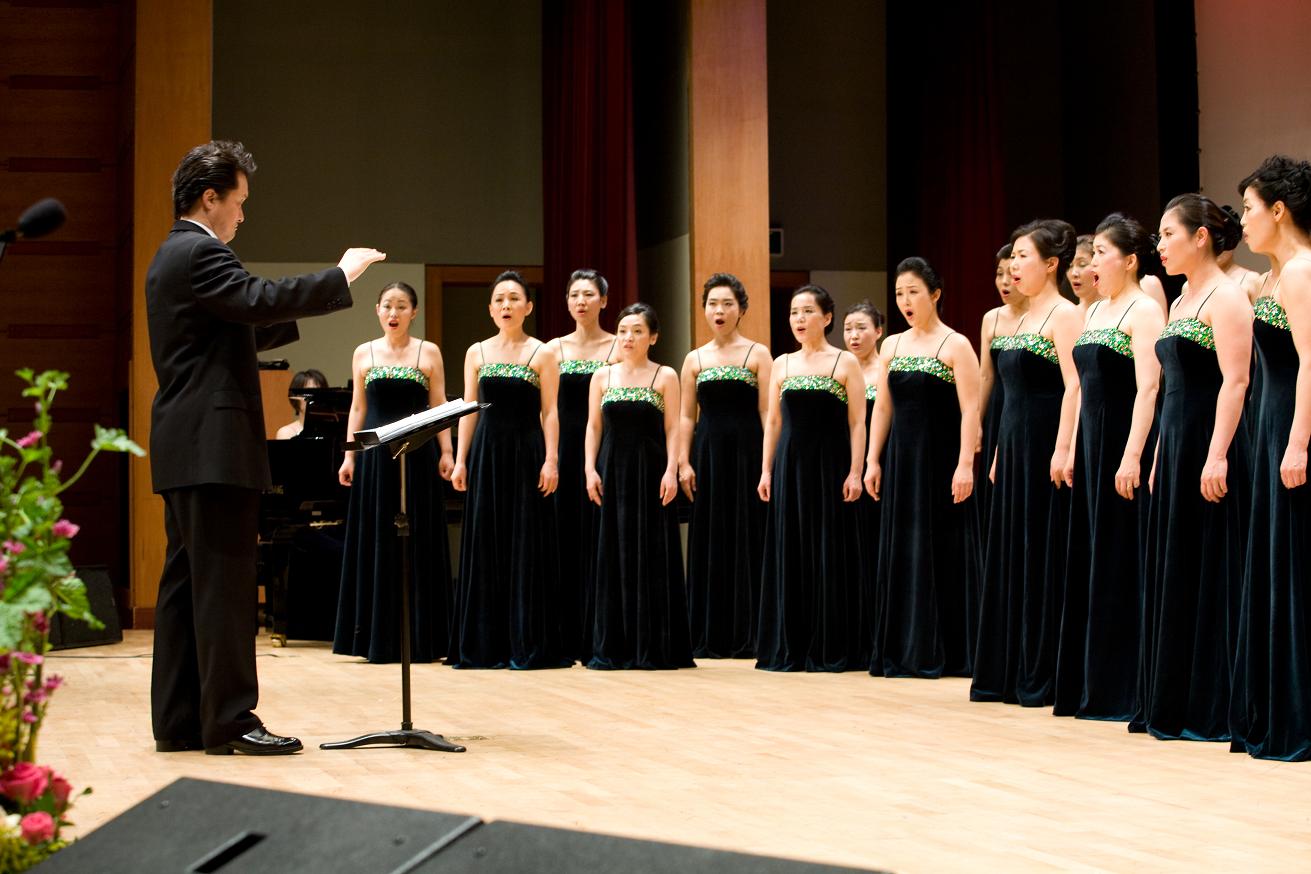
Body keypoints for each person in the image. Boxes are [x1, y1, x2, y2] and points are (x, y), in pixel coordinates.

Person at [147, 140, 384, 755]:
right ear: (210, 198)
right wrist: (341, 276)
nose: (243, 216)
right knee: (223, 589)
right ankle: (229, 721)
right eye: (240, 202)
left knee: (183, 589)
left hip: (185, 444)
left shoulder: (170, 254)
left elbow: (239, 323)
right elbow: (257, 300)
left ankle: (179, 720)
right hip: (213, 443)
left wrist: (310, 302)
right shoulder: (201, 251)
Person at [1134, 193, 1252, 742]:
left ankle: (1209, 701)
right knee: (1176, 565)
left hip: (1210, 445)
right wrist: (1158, 452)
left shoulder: (1226, 297)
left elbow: (1236, 380)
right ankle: (1172, 697)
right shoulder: (1181, 302)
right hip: (1176, 445)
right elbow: (1168, 390)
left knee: (1209, 566)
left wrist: (1216, 454)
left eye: (1167, 234)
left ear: (1201, 236)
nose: (1159, 245)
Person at [1052, 214, 1164, 721]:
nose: (1092, 262)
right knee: (1096, 557)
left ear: (1130, 260)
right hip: (1092, 448)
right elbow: (1080, 390)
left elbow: (1149, 387)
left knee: (1123, 558)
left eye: (1100, 253)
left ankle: (1125, 685)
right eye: (1091, 253)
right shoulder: (1095, 313)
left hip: (1122, 445)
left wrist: (1133, 454)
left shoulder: (1144, 310)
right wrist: (1072, 447)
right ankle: (1092, 683)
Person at [971, 219, 1081, 707]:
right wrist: (996, 451)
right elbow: (1005, 393)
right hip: (1012, 446)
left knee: (1041, 552)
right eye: (1012, 257)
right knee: (1012, 552)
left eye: (1022, 256)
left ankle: (1042, 670)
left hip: (1046, 446)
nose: (1013, 266)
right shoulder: (1012, 318)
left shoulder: (1065, 315)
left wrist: (1063, 447)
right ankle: (1007, 668)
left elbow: (1075, 387)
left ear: (1051, 264)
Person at [1230, 155, 1311, 760]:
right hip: (1268, 424)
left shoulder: (1305, 271)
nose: (1244, 221)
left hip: (1291, 425)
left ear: (1278, 211)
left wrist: (1299, 441)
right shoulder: (1271, 279)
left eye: (1250, 209)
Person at [864, 258, 981, 678]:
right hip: (902, 460)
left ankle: (948, 649)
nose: (905, 301)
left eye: (914, 291)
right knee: (903, 549)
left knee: (943, 547)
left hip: (943, 461)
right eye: (899, 294)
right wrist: (873, 459)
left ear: (935, 294)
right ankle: (903, 649)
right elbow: (883, 407)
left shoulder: (956, 345)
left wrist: (965, 463)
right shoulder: (892, 345)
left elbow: (971, 410)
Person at [449, 270, 571, 669]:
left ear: (528, 307)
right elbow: (468, 409)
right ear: (490, 308)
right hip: (486, 452)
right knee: (487, 542)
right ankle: (485, 645)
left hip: (526, 452)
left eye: (515, 298)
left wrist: (551, 459)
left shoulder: (542, 353)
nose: (506, 305)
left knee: (525, 543)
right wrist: (461, 457)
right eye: (500, 299)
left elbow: (550, 411)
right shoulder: (477, 352)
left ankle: (526, 640)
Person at [334, 282, 453, 664]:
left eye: (402, 306)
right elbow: (357, 408)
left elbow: (440, 405)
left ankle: (422, 637)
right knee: (377, 537)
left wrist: (447, 451)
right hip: (373, 457)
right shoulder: (363, 352)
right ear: (378, 310)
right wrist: (349, 457)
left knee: (416, 536)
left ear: (413, 312)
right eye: (388, 306)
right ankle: (374, 637)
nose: (394, 313)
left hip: (417, 456)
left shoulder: (428, 351)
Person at [756, 285, 868, 672]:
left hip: (830, 466)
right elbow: (773, 421)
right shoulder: (782, 363)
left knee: (827, 548)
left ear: (827, 317)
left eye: (807, 312)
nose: (799, 320)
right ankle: (793, 643)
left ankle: (831, 643)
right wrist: (766, 468)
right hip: (790, 466)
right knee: (793, 548)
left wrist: (857, 469)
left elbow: (858, 422)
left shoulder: (845, 363)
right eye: (793, 313)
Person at [585, 303, 694, 669]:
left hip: (650, 473)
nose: (628, 338)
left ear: (653, 337)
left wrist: (671, 470)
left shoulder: (664, 375)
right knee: (612, 552)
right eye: (623, 331)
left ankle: (653, 643)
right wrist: (589, 469)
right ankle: (613, 645)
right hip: (612, 471)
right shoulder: (602, 377)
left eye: (636, 331)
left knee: (651, 552)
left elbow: (673, 428)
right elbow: (594, 427)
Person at [677, 273, 771, 659]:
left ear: (742, 310)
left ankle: (751, 631)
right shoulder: (694, 358)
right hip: (708, 458)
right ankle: (708, 632)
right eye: (713, 304)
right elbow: (685, 416)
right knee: (711, 536)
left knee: (749, 536)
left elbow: (768, 412)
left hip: (748, 455)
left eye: (727, 304)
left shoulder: (758, 354)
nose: (719, 311)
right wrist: (682, 460)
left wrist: (768, 463)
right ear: (704, 310)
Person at [549, 269, 616, 659]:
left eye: (589, 294)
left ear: (604, 301)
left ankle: (598, 632)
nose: (581, 301)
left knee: (598, 538)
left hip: (602, 450)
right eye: (574, 294)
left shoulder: (618, 345)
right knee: (563, 537)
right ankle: (564, 632)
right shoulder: (552, 349)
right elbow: (547, 410)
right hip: (562, 449)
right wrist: (550, 456)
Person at [977, 243, 1027, 540]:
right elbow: (985, 374)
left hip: (1026, 406)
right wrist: (978, 425)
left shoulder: (1045, 316)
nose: (1005, 282)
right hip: (997, 408)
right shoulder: (991, 318)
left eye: (1012, 274)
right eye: (999, 274)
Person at [844, 299, 885, 643]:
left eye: (861, 328)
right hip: (845, 465)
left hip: (881, 462)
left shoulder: (885, 368)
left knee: (876, 542)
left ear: (878, 331)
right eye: (848, 329)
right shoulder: (839, 368)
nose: (854, 336)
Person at [275, 368, 327, 439]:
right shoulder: (286, 433)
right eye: (308, 393)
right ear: (295, 398)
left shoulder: (332, 432)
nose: (314, 398)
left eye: (318, 393)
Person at [1068, 235, 1103, 318]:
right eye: (1070, 266)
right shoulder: (1067, 315)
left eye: (1082, 264)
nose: (1074, 273)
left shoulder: (1119, 311)